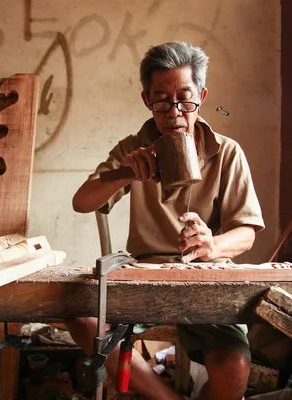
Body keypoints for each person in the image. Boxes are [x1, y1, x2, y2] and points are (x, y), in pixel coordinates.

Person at [69, 41, 265, 400]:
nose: (174, 112)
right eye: (162, 101)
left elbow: (247, 232)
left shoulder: (227, 152)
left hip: (207, 275)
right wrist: (124, 174)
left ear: (202, 97)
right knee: (81, 319)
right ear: (147, 100)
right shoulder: (133, 148)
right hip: (145, 273)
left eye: (185, 100)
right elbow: (82, 202)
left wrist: (213, 245)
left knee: (234, 369)